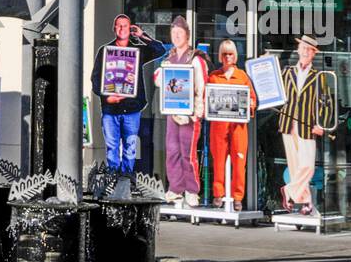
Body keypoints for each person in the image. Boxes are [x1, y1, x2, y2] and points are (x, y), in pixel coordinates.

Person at [90, 14, 164, 182]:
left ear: (130, 29)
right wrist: (106, 97)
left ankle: (127, 178)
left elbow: (160, 50)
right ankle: (112, 178)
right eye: (119, 25)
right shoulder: (105, 51)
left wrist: (142, 36)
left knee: (130, 146)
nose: (122, 29)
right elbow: (95, 79)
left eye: (125, 26)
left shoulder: (137, 50)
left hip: (132, 107)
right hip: (110, 108)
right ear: (114, 28)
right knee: (112, 146)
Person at [278, 33, 334, 217]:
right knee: (295, 167)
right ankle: (306, 203)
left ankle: (289, 191)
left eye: (308, 50)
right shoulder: (287, 72)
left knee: (307, 166)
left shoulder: (318, 76)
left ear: (313, 54)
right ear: (298, 50)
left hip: (307, 126)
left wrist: (322, 125)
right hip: (288, 123)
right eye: (302, 48)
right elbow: (275, 90)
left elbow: (326, 103)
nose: (304, 52)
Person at [153, 15, 207, 207]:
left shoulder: (196, 59)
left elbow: (201, 87)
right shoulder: (169, 58)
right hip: (172, 112)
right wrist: (164, 70)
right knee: (172, 151)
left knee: (188, 153)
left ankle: (192, 190)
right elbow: (158, 79)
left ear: (188, 35)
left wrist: (197, 113)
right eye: (173, 32)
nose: (176, 36)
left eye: (180, 32)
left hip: (189, 114)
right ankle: (175, 188)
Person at [208, 40, 256, 211]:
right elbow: (208, 99)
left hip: (238, 127)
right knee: (219, 161)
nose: (227, 57)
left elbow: (252, 99)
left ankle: (237, 197)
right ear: (221, 56)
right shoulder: (213, 76)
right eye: (224, 54)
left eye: (230, 53)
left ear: (235, 55)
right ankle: (218, 194)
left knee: (239, 161)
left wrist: (250, 105)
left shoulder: (242, 76)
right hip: (218, 126)